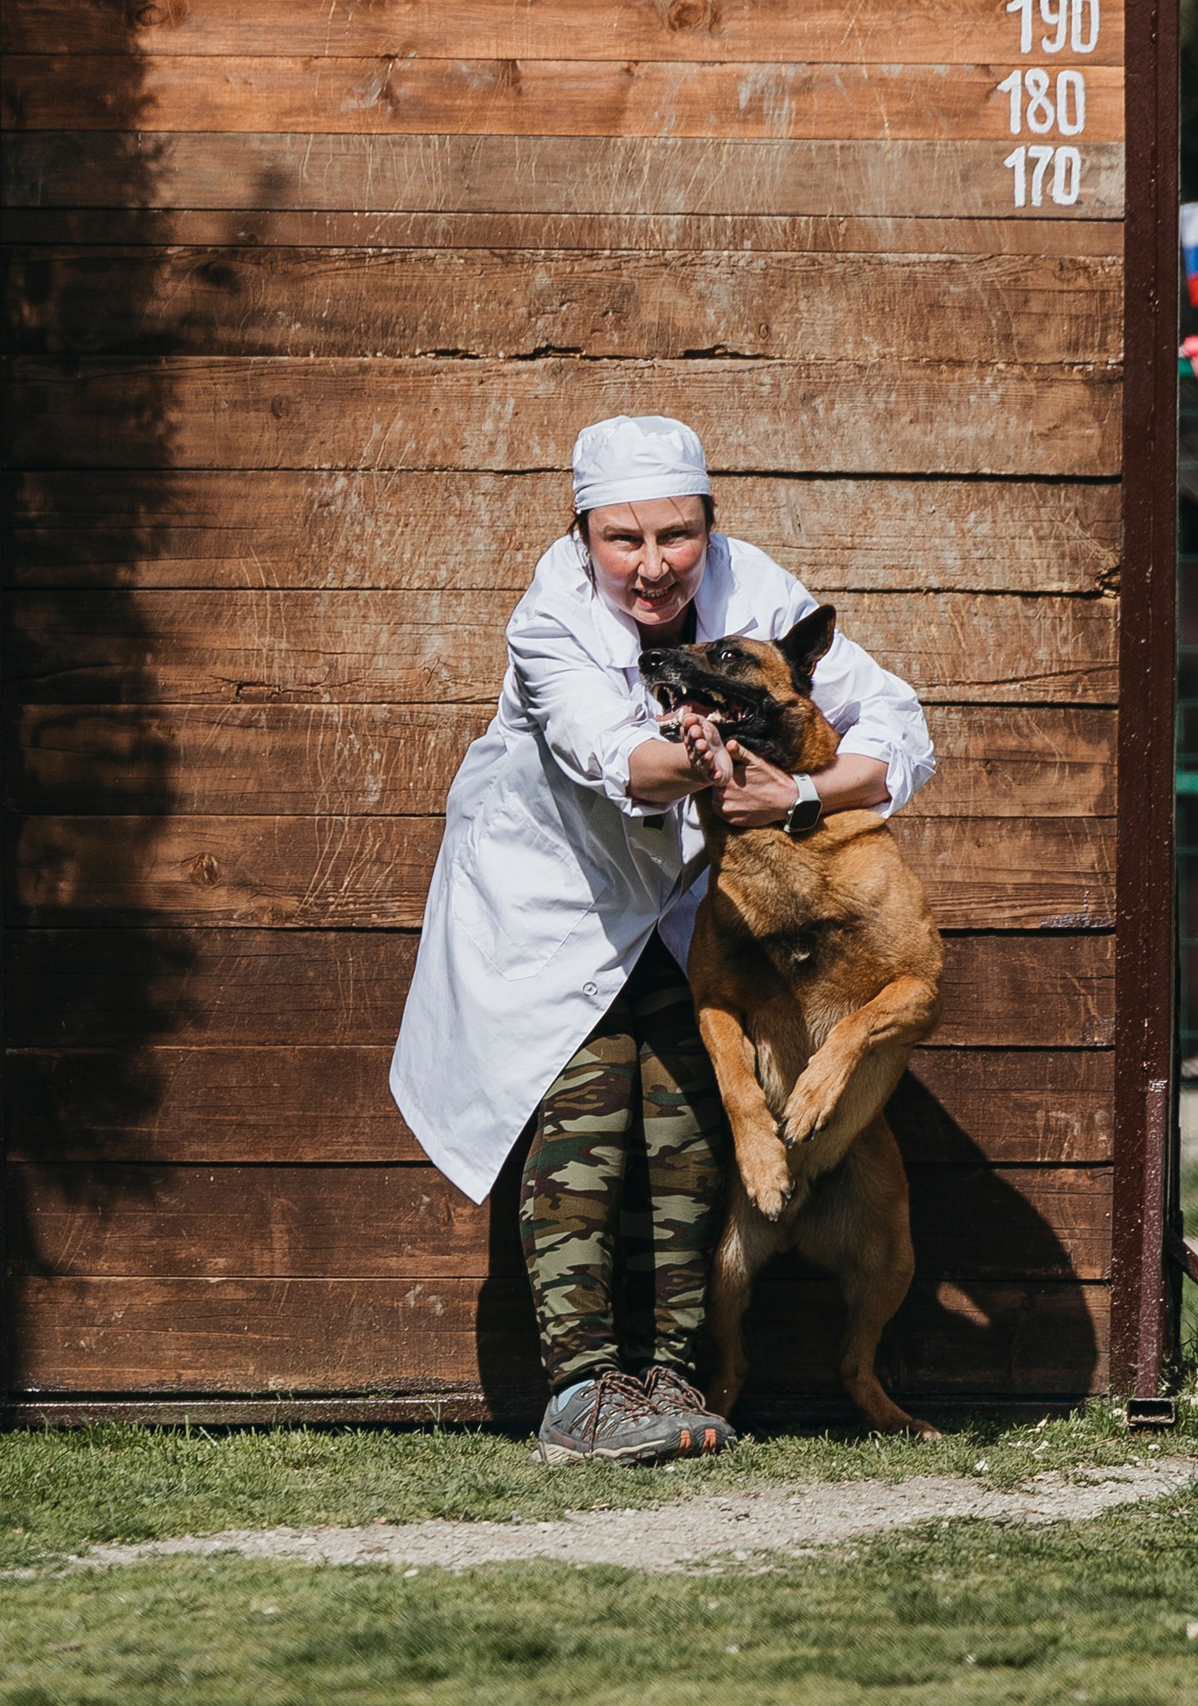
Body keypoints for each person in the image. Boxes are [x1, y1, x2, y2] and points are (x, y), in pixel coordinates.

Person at [391, 416, 934, 1465]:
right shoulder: (549, 618)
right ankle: (582, 1389)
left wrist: (803, 793)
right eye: (623, 540)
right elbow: (617, 759)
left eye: (676, 537)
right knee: (583, 1102)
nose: (653, 567)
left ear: (708, 524)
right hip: (551, 894)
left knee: (692, 1113)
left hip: (686, 898)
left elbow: (895, 722)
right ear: (583, 532)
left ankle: (678, 1370)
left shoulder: (751, 587)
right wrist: (703, 762)